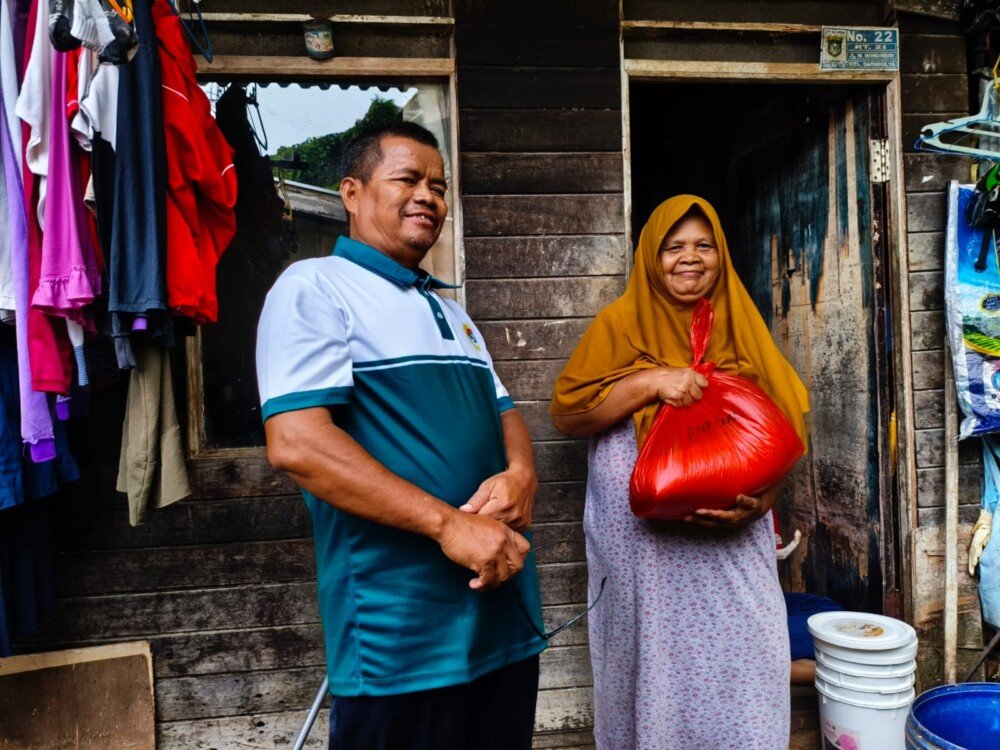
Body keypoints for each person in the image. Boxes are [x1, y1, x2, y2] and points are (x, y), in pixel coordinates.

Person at [256, 121, 547, 750]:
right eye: (408, 179)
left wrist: (521, 474)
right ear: (352, 193)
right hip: (402, 634)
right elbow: (298, 443)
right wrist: (449, 525)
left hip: (502, 613)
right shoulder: (313, 288)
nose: (429, 197)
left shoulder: (451, 310)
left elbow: (505, 412)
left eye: (439, 187)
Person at [550, 195, 810, 749]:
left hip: (731, 535)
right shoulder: (619, 324)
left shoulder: (740, 320)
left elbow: (782, 429)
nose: (689, 258)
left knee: (749, 645)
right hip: (641, 545)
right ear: (651, 256)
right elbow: (570, 414)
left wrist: (763, 501)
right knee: (653, 657)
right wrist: (650, 382)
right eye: (673, 247)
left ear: (721, 253)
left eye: (703, 245)